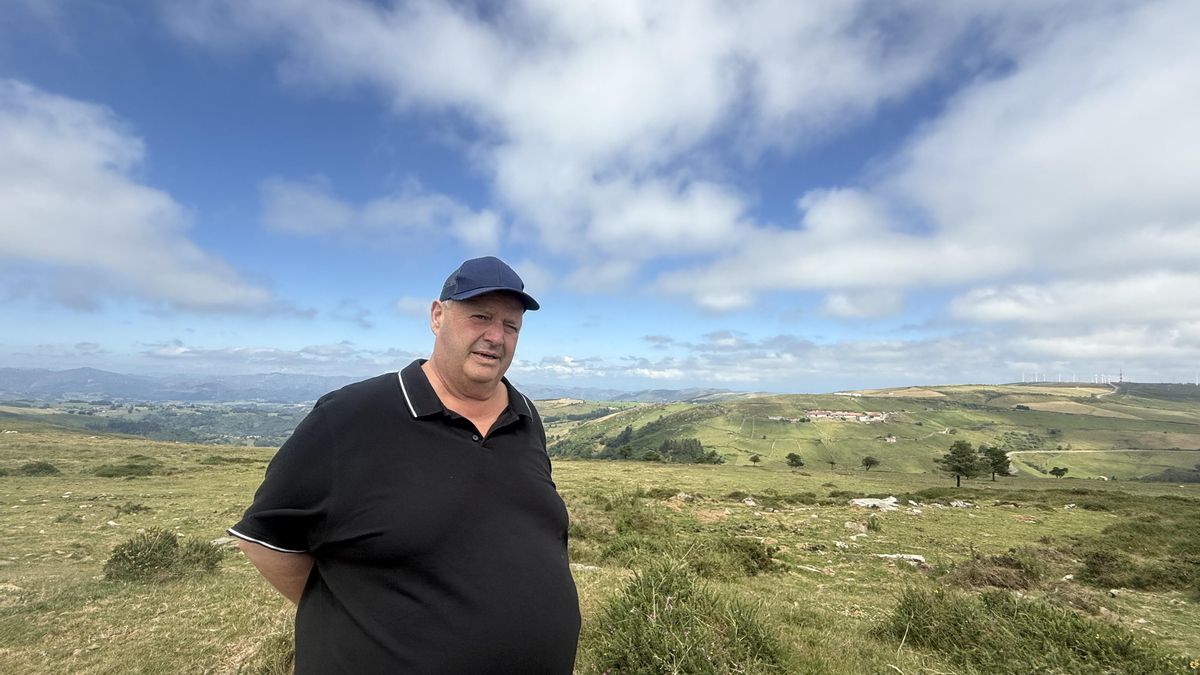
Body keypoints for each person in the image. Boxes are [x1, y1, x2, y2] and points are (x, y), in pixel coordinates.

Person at [228, 256, 580, 673]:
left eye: (510, 326)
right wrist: (360, 614)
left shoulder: (524, 416)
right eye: (480, 316)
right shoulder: (350, 416)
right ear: (437, 316)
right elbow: (264, 539)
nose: (495, 336)